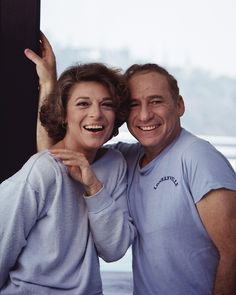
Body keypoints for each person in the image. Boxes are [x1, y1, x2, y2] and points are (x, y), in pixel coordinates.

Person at [27, 36, 236, 295]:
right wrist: (49, 84)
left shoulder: (198, 158)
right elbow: (56, 156)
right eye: (135, 105)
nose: (145, 115)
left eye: (156, 101)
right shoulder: (127, 159)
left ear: (179, 105)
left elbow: (233, 253)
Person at [0, 58, 136, 294]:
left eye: (106, 104)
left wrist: (94, 187)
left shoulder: (115, 164)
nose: (96, 114)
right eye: (83, 104)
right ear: (63, 114)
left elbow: (114, 250)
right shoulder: (40, 172)